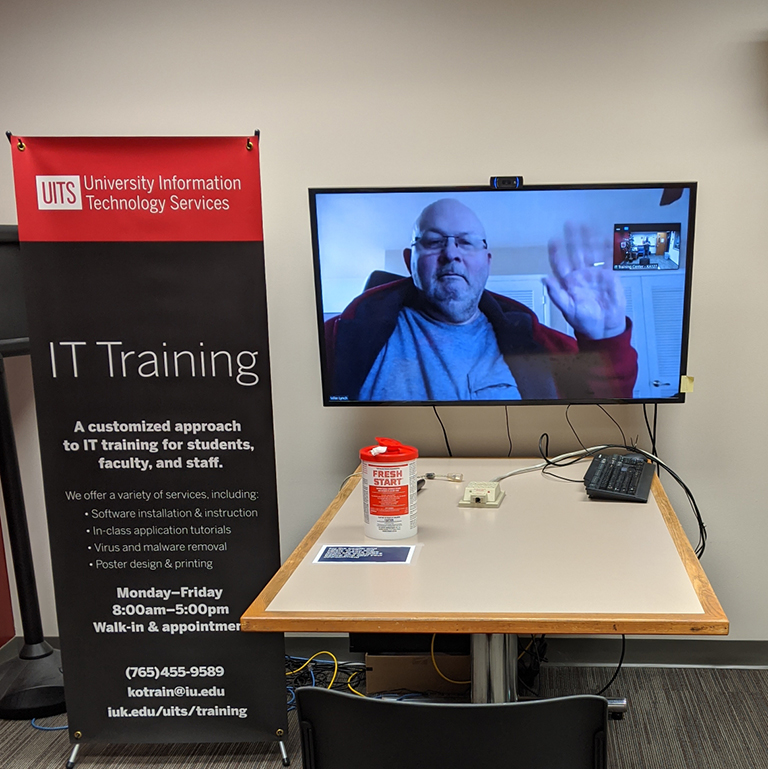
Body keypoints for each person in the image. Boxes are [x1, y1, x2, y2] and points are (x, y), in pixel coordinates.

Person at [324, 198, 637, 401]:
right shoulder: (340, 336)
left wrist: (606, 339)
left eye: (466, 242)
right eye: (433, 242)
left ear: (487, 262)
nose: (451, 254)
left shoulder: (535, 341)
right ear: (410, 261)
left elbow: (606, 412)